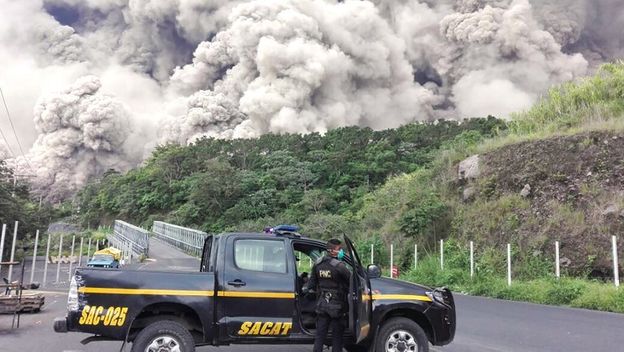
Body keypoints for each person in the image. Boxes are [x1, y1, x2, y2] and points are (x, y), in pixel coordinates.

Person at [304, 238, 351, 352]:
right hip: (337, 306)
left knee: (320, 335)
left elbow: (311, 284)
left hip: (322, 304)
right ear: (332, 251)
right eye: (339, 249)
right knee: (337, 336)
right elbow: (352, 282)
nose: (341, 252)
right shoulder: (339, 266)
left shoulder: (318, 264)